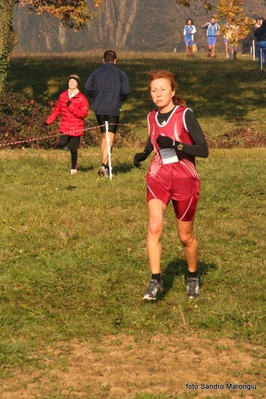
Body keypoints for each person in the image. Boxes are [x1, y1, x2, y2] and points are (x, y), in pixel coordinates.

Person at [133, 70, 208, 301]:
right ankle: (156, 282)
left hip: (185, 178)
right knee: (154, 226)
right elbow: (153, 136)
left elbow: (203, 150)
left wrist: (177, 145)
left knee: (185, 237)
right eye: (154, 90)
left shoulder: (185, 115)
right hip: (158, 175)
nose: (158, 94)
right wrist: (144, 154)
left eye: (163, 89)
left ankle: (193, 277)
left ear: (173, 91)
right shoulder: (150, 117)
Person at [84, 50, 131, 177]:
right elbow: (126, 90)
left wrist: (96, 97)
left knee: (104, 136)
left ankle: (104, 163)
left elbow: (88, 87)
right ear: (115, 60)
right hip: (113, 109)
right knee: (110, 137)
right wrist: (118, 98)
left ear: (103, 60)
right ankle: (104, 165)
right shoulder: (120, 73)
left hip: (99, 109)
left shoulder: (96, 73)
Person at [44, 74, 89, 175]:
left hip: (76, 127)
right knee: (62, 143)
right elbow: (57, 110)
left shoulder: (82, 99)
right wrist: (48, 121)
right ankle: (68, 148)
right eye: (70, 81)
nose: (71, 83)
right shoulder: (63, 96)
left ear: (77, 84)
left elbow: (83, 114)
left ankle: (74, 167)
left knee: (73, 149)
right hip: (65, 126)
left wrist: (71, 106)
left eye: (73, 82)